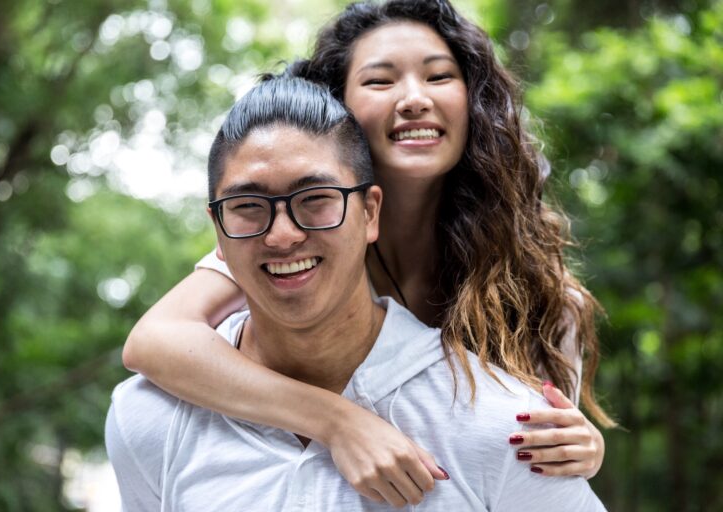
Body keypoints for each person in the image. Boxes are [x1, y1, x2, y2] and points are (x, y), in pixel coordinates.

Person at [122, 0, 615, 505]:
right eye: (381, 81)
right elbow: (154, 343)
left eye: (439, 76)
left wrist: (582, 451)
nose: (414, 98)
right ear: (339, 109)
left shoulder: (533, 287)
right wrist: (337, 421)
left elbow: (534, 460)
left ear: (473, 100)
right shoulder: (288, 247)